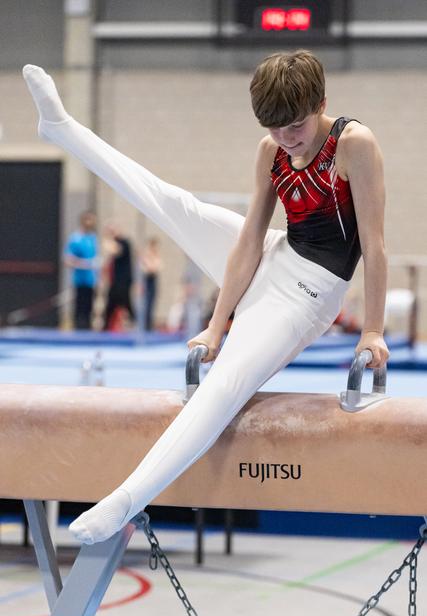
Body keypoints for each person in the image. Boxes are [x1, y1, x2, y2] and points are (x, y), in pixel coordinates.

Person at [22, 50, 389, 545]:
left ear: (322, 103)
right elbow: (249, 242)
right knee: (177, 204)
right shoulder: (271, 151)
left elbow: (375, 243)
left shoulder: (353, 144)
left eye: (296, 126)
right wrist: (219, 324)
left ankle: (125, 499)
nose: (287, 138)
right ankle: (62, 128)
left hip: (309, 294)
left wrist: (372, 331)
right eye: (275, 128)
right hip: (274, 256)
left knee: (224, 387)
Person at [64, 210, 98, 329]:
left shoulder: (93, 238)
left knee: (89, 309)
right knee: (79, 308)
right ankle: (78, 330)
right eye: (88, 220)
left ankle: (88, 331)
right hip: (80, 280)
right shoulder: (75, 238)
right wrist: (84, 264)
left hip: (91, 280)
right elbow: (68, 260)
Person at [102, 222, 135, 330]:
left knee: (126, 303)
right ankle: (106, 327)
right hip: (116, 281)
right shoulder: (117, 243)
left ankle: (135, 323)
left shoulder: (124, 242)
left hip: (123, 281)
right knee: (111, 305)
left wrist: (107, 238)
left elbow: (114, 250)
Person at [140, 236, 162, 330]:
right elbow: (146, 269)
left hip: (152, 281)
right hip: (147, 281)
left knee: (151, 303)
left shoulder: (156, 256)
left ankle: (148, 325)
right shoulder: (145, 256)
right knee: (146, 303)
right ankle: (144, 325)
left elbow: (157, 267)